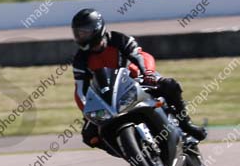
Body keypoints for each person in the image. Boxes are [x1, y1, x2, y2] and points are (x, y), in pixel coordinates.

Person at [71, 9, 207, 150]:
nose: (80, 37)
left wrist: (148, 74)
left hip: (136, 80)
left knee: (170, 85)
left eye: (83, 33)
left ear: (96, 29)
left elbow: (140, 56)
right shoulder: (80, 59)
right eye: (77, 33)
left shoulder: (118, 39)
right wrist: (87, 110)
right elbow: (80, 90)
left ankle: (186, 125)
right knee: (89, 136)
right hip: (107, 96)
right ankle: (127, 151)